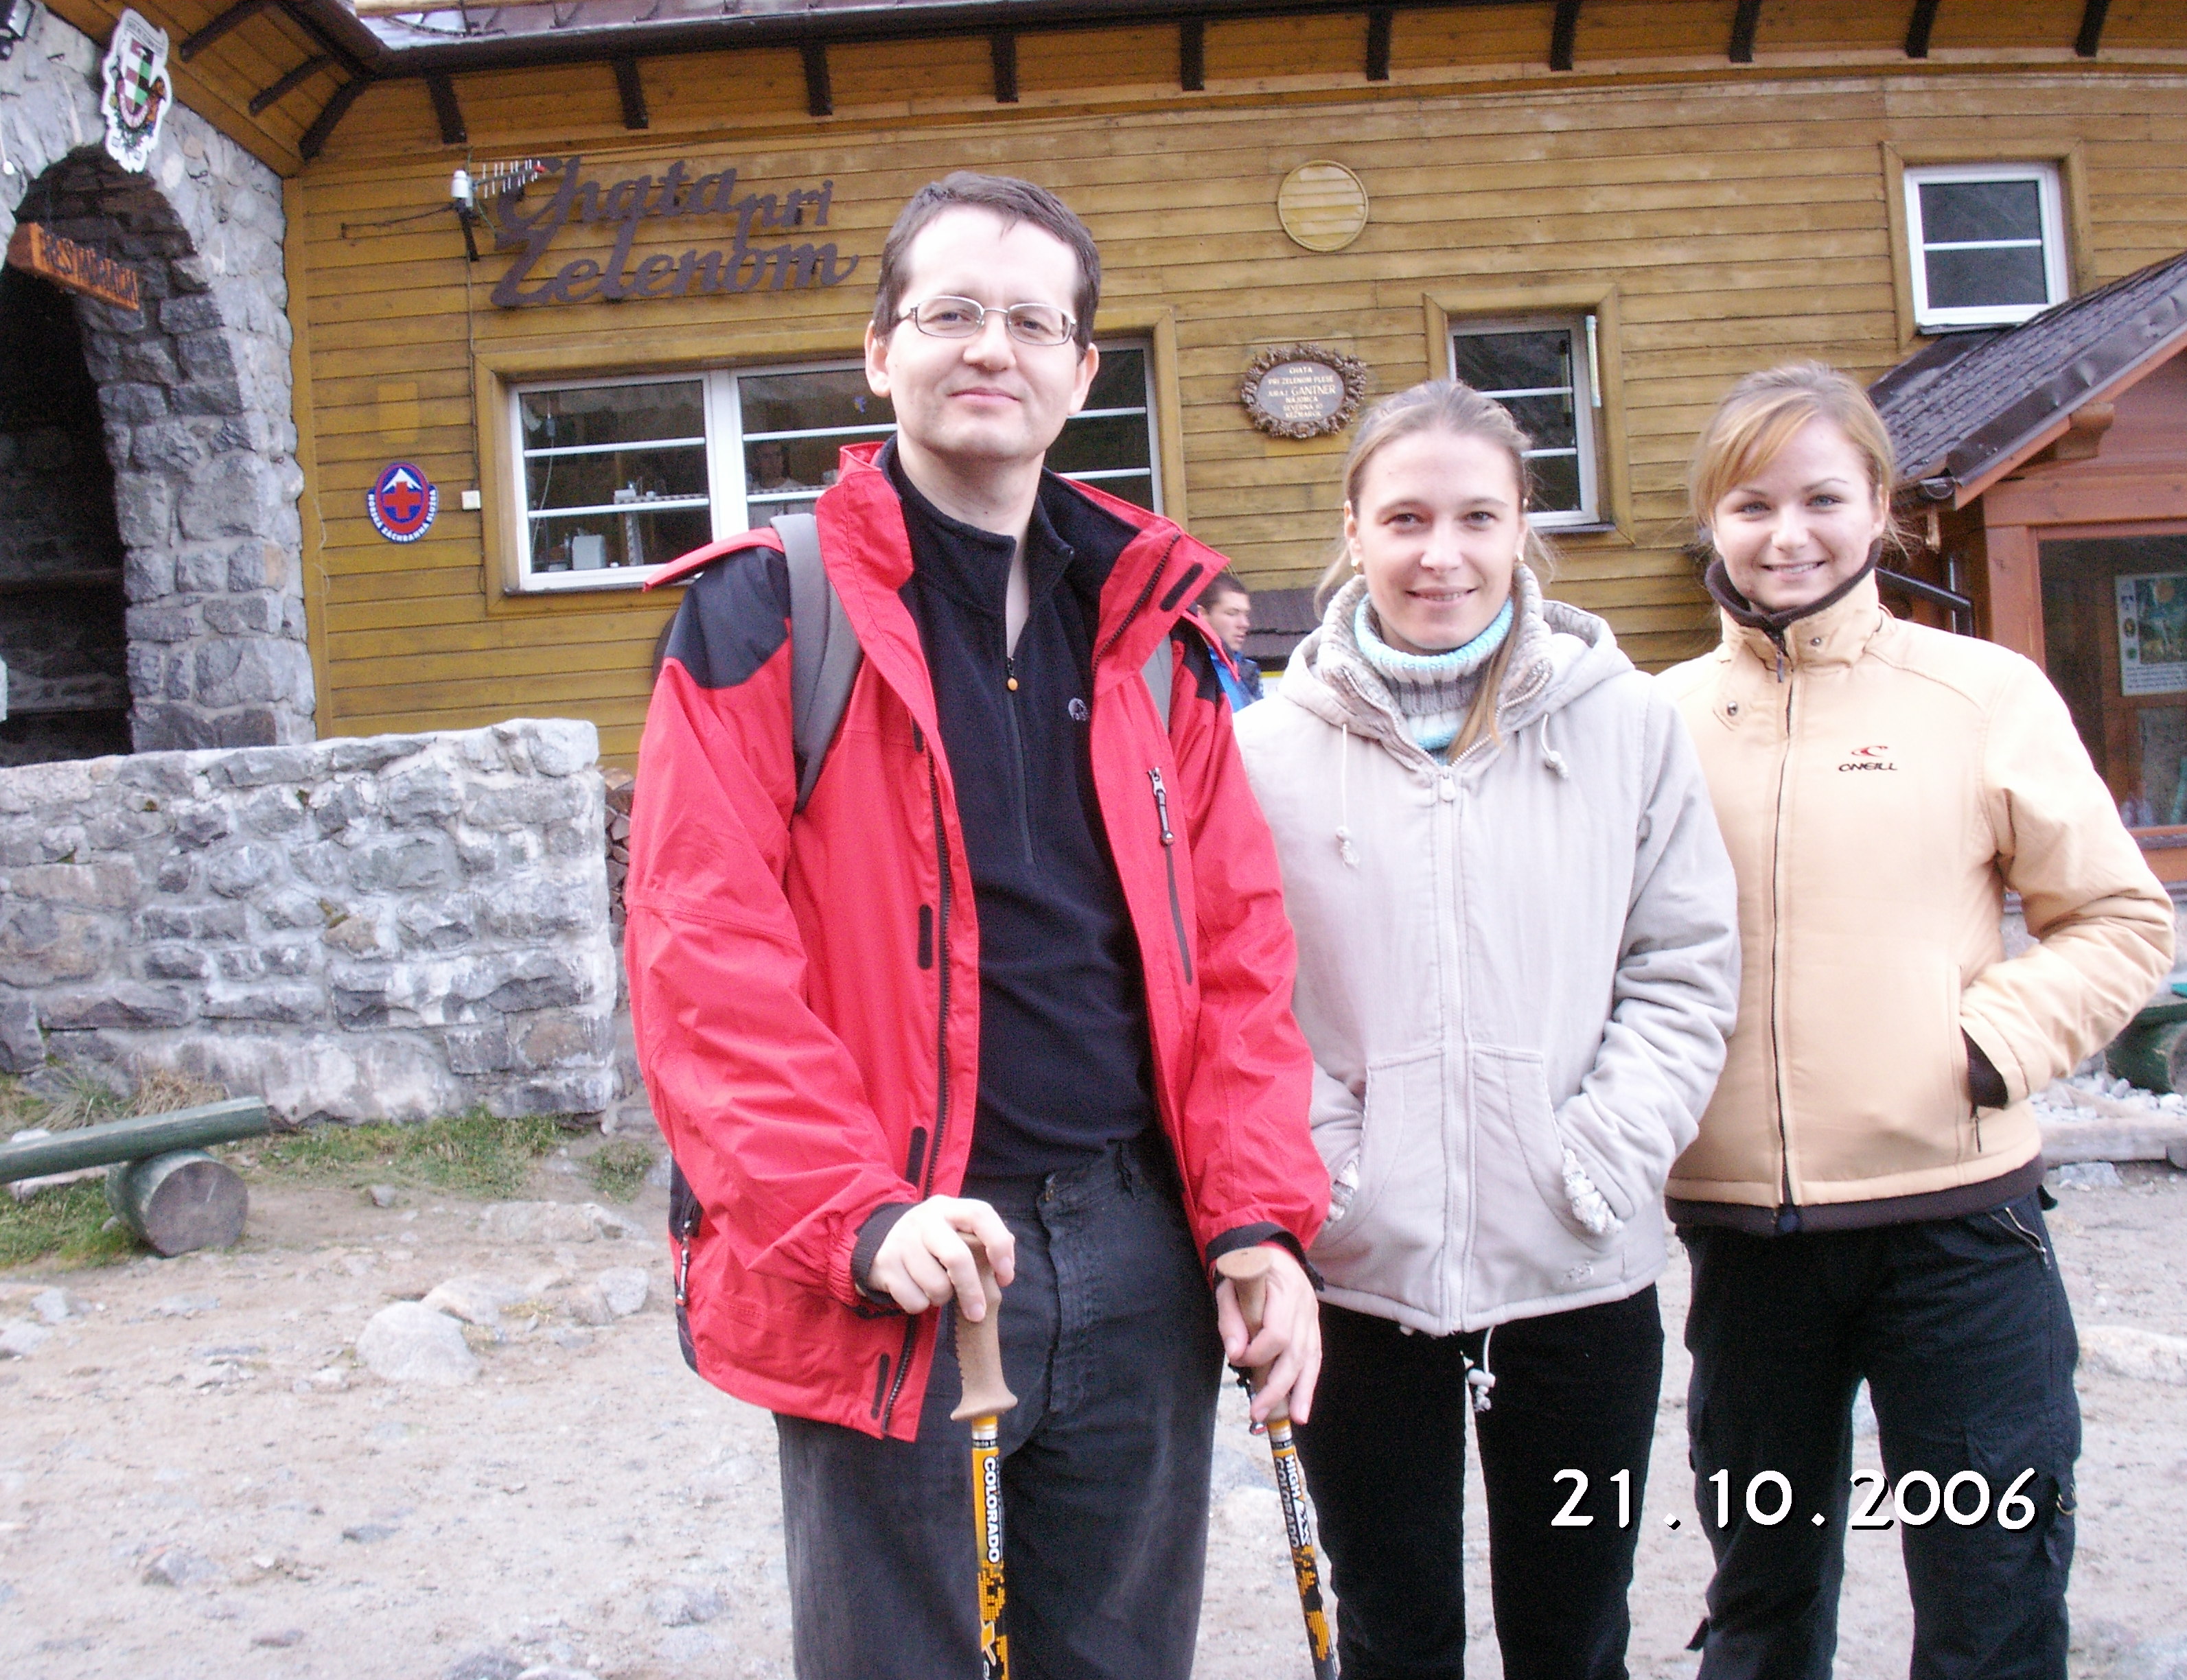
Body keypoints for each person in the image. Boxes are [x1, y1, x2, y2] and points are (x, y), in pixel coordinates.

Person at [625, 172, 1329, 1680]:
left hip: (1138, 1251)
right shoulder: (768, 614)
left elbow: (1235, 957)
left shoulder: (1155, 632)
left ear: (1082, 371)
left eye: (1030, 320)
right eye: (950, 312)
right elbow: (703, 962)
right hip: (906, 1254)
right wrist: (856, 1215)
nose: (989, 346)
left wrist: (1256, 1216)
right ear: (881, 351)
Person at [1658, 363, 2175, 1680]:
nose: (1786, 533)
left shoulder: (1977, 694)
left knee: (1986, 1598)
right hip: (1744, 1248)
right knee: (1759, 1607)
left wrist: (1981, 1048)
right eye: (1749, 504)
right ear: (1710, 519)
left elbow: (2117, 917)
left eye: (1820, 498)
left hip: (1954, 1232)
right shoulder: (1655, 722)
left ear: (1877, 506)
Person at [1234, 379, 1741, 1680]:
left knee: (1574, 1636)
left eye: (1475, 517)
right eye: (1405, 518)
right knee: (1394, 1636)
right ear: (1353, 528)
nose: (1440, 554)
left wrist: (1594, 1157)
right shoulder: (1263, 753)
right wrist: (1335, 1176)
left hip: (1577, 1274)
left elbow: (1681, 967)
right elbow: (1243, 1000)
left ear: (1523, 526)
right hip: (1357, 1281)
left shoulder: (1627, 726)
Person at [1194, 570, 1264, 710]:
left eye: (1246, 614)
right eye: (1232, 613)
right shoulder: (1184, 672)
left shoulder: (1247, 672)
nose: (1245, 624)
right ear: (1202, 615)